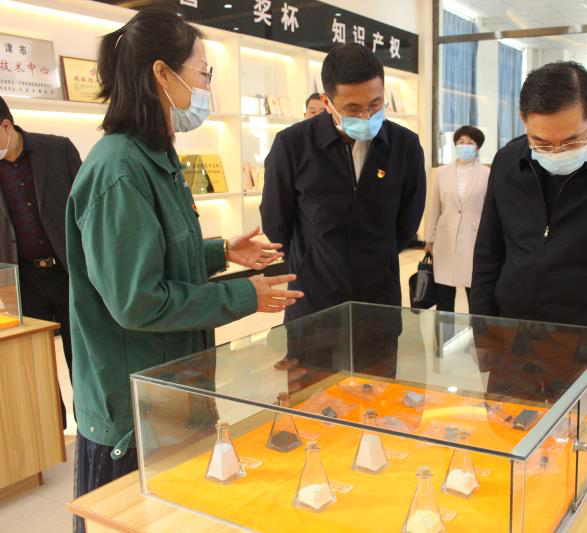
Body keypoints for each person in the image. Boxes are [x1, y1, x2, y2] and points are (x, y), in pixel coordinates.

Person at [66, 9, 303, 529]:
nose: (206, 87)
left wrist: (220, 253)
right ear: (161, 73)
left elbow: (156, 253)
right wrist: (247, 296)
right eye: (203, 72)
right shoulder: (118, 170)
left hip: (172, 394)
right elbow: (137, 301)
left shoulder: (154, 156)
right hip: (134, 414)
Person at [471, 61, 587, 394]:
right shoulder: (507, 161)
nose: (556, 152)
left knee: (583, 428)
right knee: (507, 425)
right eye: (542, 142)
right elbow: (488, 254)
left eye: (572, 140)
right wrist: (485, 337)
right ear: (524, 120)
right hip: (514, 341)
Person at [261, 43, 426, 322]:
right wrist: (310, 260)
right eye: (353, 108)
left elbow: (407, 221)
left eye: (375, 104)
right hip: (313, 299)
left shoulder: (405, 145)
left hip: (379, 298)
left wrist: (377, 255)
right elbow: (276, 221)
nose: (367, 116)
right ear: (327, 103)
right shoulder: (293, 145)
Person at [0, 96, 81, 429]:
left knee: (84, 357)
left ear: (6, 126)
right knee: (36, 366)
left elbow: (87, 208)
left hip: (69, 272)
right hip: (23, 281)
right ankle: (51, 432)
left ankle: (90, 428)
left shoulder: (58, 150)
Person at [424, 125, 489, 312]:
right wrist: (429, 239)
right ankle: (444, 331)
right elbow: (434, 207)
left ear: (478, 147)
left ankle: (477, 331)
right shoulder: (442, 172)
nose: (464, 145)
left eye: (470, 142)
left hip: (474, 239)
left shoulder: (486, 174)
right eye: (461, 142)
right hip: (445, 239)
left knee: (475, 295)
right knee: (444, 296)